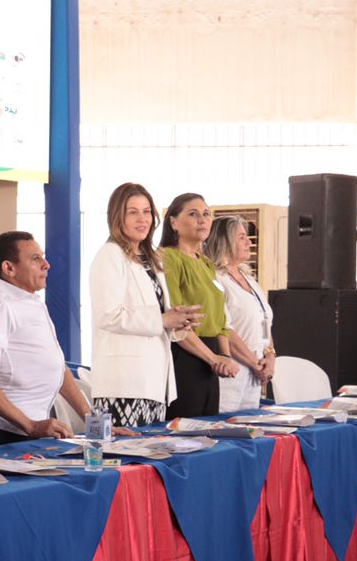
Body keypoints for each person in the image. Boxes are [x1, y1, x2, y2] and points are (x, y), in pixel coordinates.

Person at [87, 183, 199, 427]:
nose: (143, 219)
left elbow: (156, 315)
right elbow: (108, 315)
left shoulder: (152, 259)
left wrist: (178, 321)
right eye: (133, 212)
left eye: (147, 211)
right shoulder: (109, 255)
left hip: (153, 382)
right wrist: (162, 319)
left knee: (149, 447)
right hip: (123, 384)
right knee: (125, 449)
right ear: (117, 217)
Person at [0, 232, 88, 449]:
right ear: (9, 268)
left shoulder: (32, 302)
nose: (46, 264)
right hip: (7, 434)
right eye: (35, 259)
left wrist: (93, 422)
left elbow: (58, 369)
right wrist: (30, 425)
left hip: (35, 429)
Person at [159, 193, 241, 418]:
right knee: (185, 430)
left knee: (208, 429)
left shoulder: (205, 263)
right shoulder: (168, 257)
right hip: (185, 354)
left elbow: (221, 320)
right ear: (173, 222)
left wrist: (225, 357)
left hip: (211, 359)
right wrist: (213, 358)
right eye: (193, 214)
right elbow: (177, 320)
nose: (202, 220)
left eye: (206, 214)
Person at [206, 215, 277, 412]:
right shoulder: (216, 279)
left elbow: (264, 323)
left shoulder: (250, 280)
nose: (248, 242)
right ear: (224, 242)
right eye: (241, 237)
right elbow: (224, 328)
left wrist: (270, 356)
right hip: (231, 375)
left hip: (255, 375)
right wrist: (255, 363)